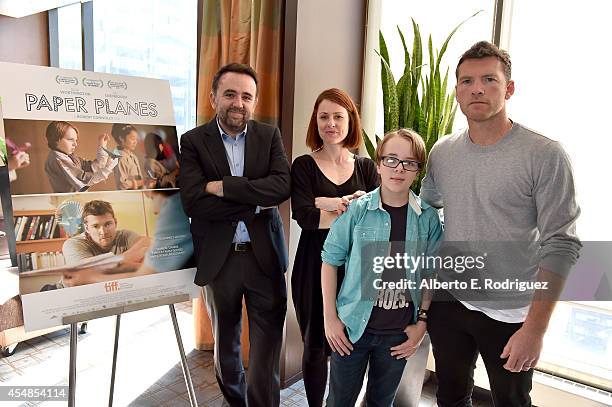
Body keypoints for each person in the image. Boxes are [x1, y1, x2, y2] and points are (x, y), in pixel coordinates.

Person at [420, 41, 581, 407]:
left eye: (489, 79)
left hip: (509, 311)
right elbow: (424, 207)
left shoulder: (544, 155)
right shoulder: (442, 152)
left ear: (508, 88)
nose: (477, 88)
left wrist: (535, 331)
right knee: (450, 396)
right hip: (450, 302)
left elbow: (562, 244)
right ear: (457, 91)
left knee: (512, 402)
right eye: (467, 81)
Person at [179, 63, 290, 407]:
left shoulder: (268, 136)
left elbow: (281, 187)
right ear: (214, 98)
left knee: (266, 351)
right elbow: (193, 201)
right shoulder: (194, 141)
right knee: (226, 348)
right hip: (220, 260)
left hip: (264, 259)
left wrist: (225, 187)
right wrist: (255, 203)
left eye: (246, 96)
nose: (238, 103)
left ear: (254, 102)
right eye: (230, 94)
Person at [321, 129, 442, 406]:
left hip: (398, 335)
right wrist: (330, 319)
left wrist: (421, 321)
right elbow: (329, 260)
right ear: (378, 164)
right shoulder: (357, 211)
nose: (399, 168)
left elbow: (429, 274)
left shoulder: (428, 220)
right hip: (352, 331)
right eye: (391, 159)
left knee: (381, 401)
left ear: (418, 171)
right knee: (339, 401)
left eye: (409, 162)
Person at [290, 88, 379, 406]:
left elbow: (375, 221)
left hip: (357, 268)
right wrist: (345, 207)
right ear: (315, 121)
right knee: (315, 345)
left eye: (338, 116)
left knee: (355, 343)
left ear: (350, 121)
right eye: (324, 116)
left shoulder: (367, 168)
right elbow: (304, 217)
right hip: (313, 266)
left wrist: (326, 204)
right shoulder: (303, 165)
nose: (331, 123)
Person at [59, 200, 150, 287]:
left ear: (115, 223)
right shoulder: (73, 244)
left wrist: (114, 266)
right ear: (86, 228)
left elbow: (149, 242)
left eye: (108, 224)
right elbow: (85, 274)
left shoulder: (125, 235)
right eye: (95, 226)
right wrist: (131, 259)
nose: (103, 231)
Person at [44, 121, 118, 193]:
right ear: (56, 139)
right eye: (70, 140)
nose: (75, 144)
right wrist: (107, 169)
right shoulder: (58, 158)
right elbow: (83, 181)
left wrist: (102, 146)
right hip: (69, 201)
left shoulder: (69, 155)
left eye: (76, 140)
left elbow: (93, 167)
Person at [111, 123, 145, 190]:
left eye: (136, 139)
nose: (135, 142)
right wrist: (141, 182)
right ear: (121, 138)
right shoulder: (119, 157)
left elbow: (140, 180)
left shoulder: (134, 157)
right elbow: (122, 184)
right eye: (132, 138)